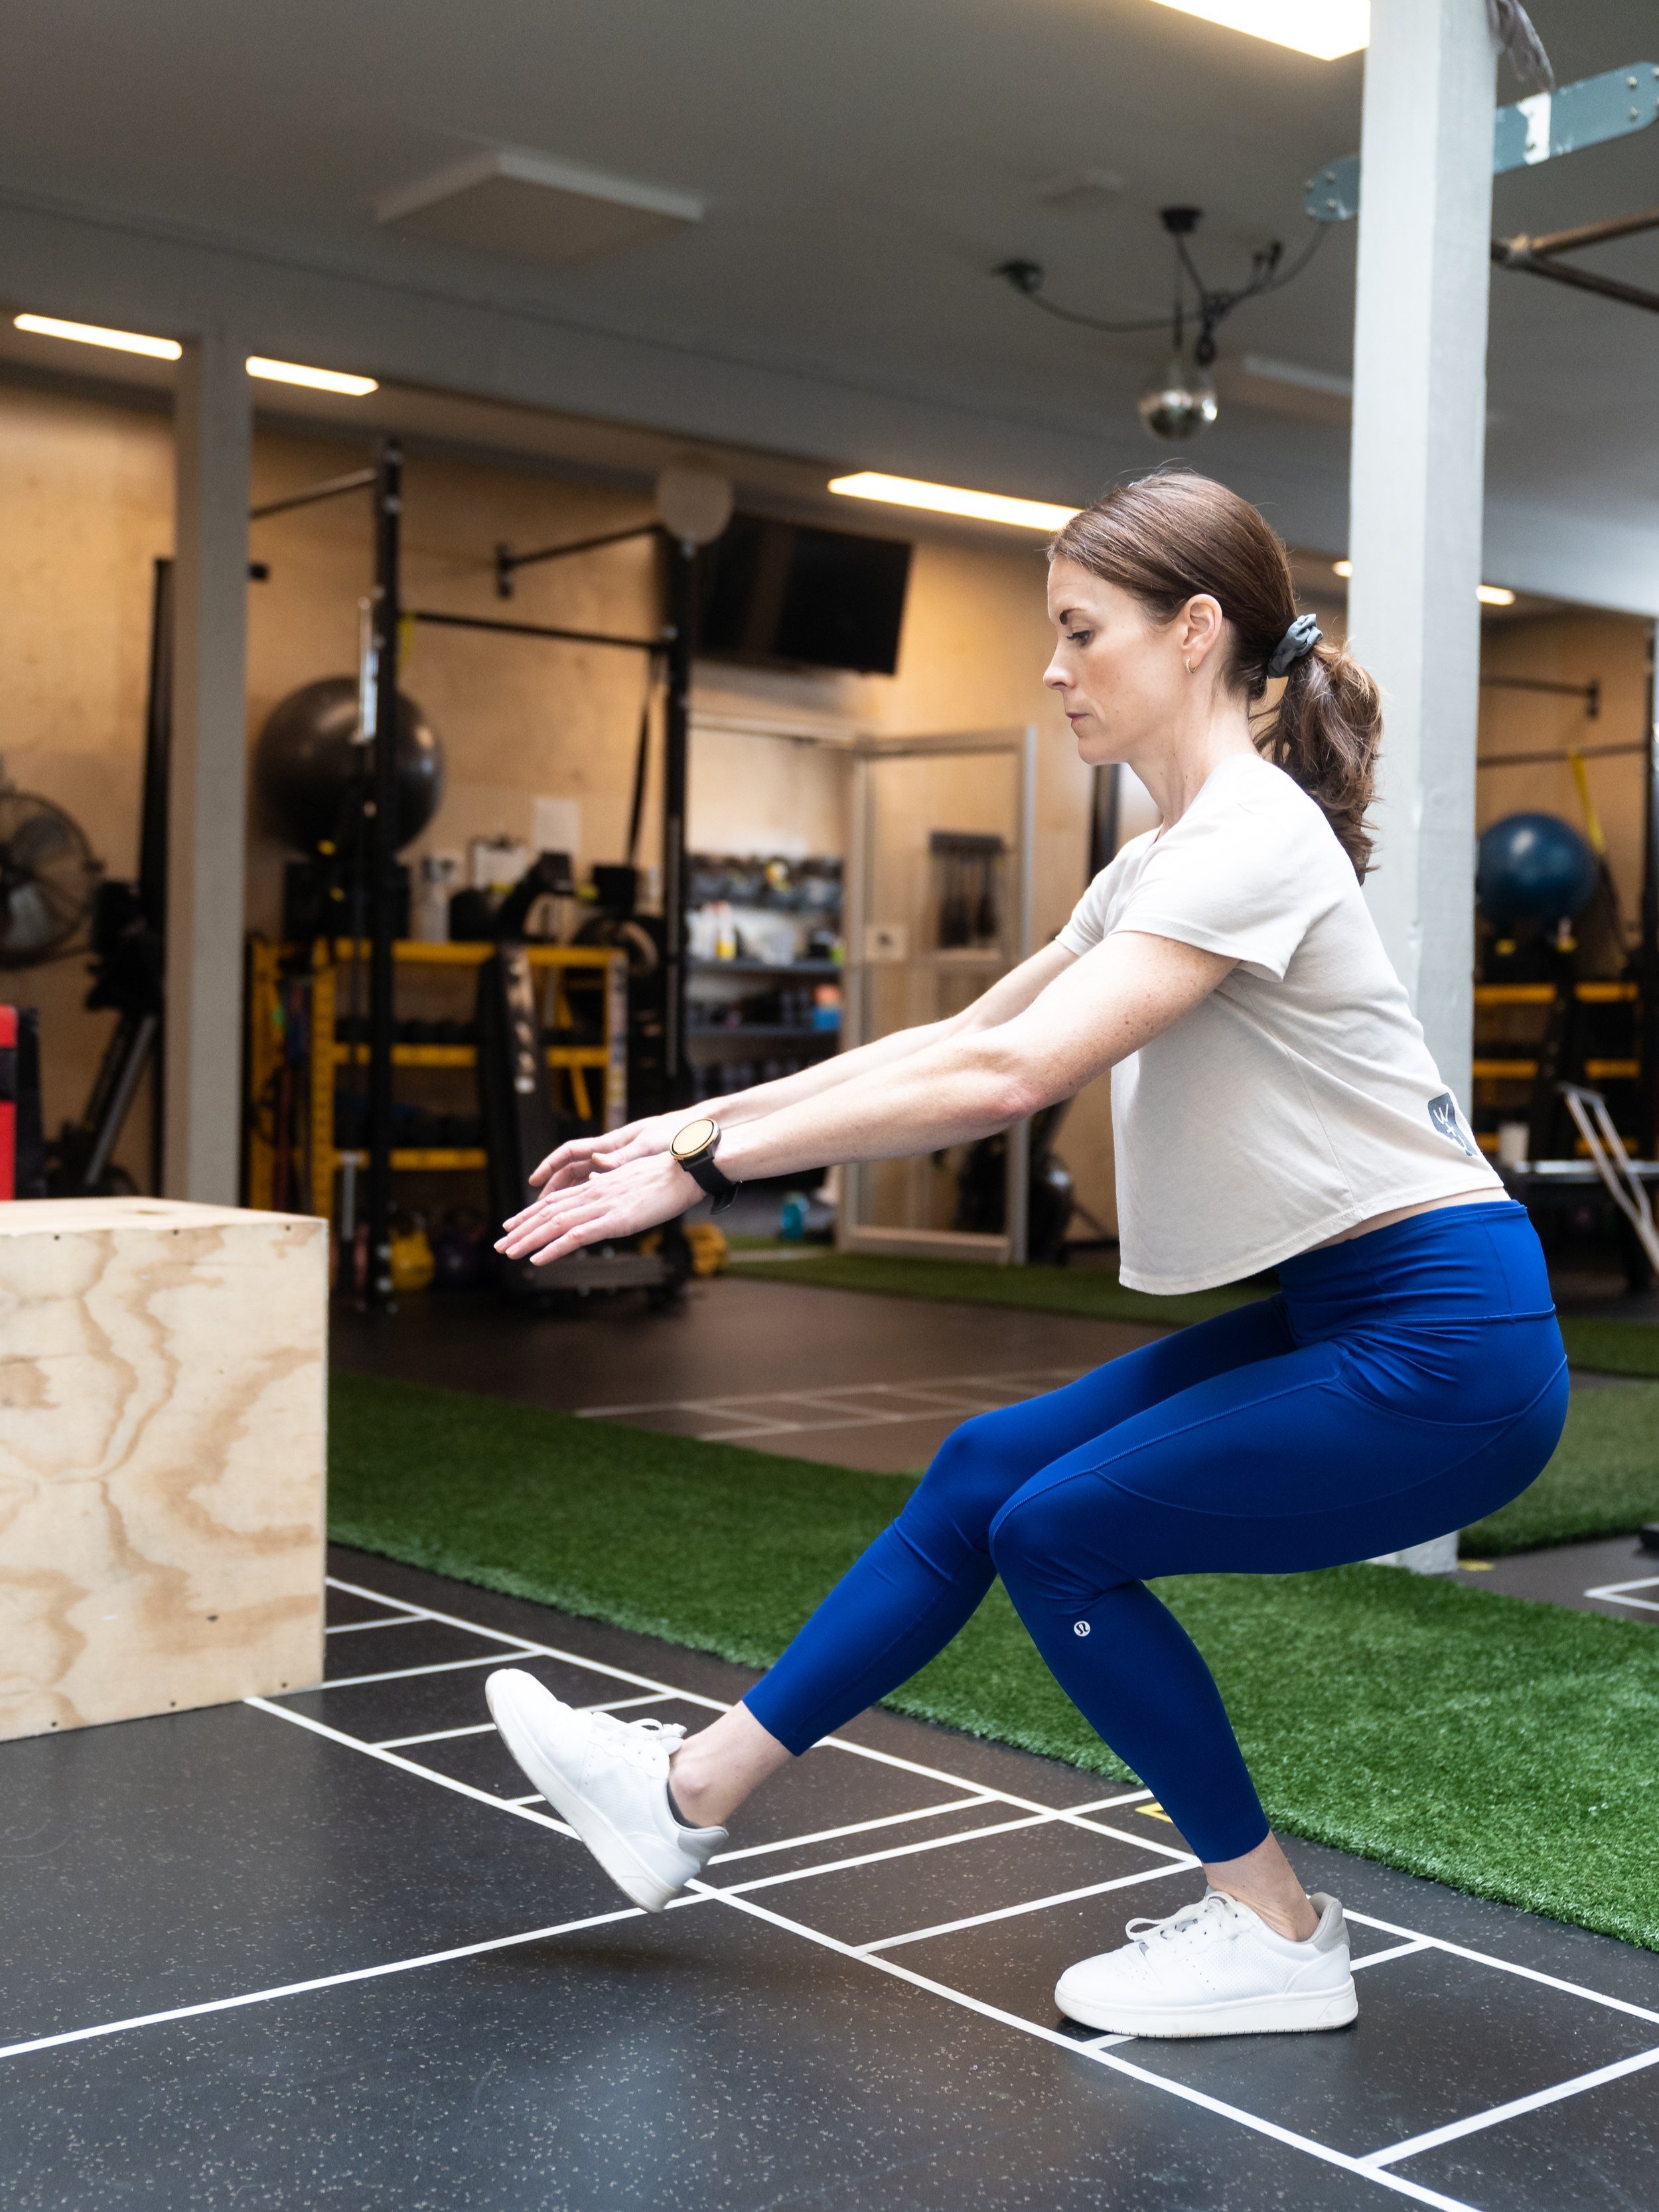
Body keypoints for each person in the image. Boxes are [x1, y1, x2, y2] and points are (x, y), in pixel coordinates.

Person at [484, 469, 1567, 2041]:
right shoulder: (1162, 852)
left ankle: (1269, 1926)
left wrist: (707, 1173)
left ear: (1193, 633)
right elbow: (958, 1030)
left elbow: (1010, 1083)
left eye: (1079, 632)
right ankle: (681, 1796)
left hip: (1444, 1344)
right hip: (1357, 1314)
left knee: (1056, 1530)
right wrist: (685, 1126)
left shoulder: (1250, 836)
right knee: (989, 1468)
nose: (1053, 670)